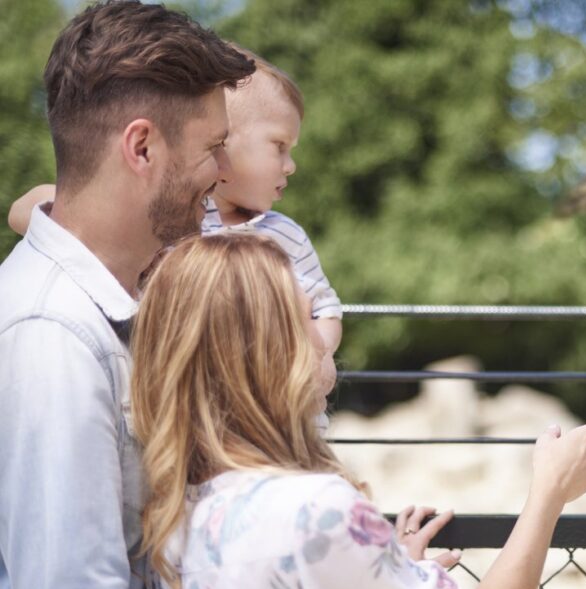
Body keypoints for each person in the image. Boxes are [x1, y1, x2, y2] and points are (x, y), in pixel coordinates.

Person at [129, 232, 586, 589]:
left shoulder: (176, 504)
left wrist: (386, 569)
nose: (326, 335)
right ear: (267, 350)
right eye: (307, 316)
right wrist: (550, 491)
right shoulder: (319, 511)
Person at [0, 2, 255, 589]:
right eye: (214, 147)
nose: (224, 172)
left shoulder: (107, 308)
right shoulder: (53, 336)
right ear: (141, 148)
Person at [8, 46, 343, 410]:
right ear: (224, 143)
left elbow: (326, 308)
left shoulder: (284, 235)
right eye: (279, 146)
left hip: (276, 416)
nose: (290, 165)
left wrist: (317, 356)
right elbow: (24, 209)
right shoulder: (176, 224)